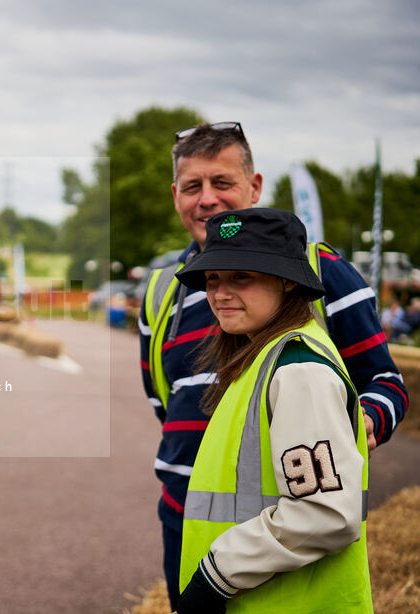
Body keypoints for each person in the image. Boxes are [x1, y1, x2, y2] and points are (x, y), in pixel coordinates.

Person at [138, 122, 408, 609]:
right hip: (187, 516)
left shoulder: (321, 274)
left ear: (255, 186)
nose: (207, 200)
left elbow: (384, 381)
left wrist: (355, 420)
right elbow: (165, 401)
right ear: (175, 194)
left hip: (275, 528)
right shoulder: (162, 290)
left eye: (222, 183)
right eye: (193, 186)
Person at [172, 208, 371, 612]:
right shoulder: (266, 357)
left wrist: (217, 574)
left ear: (286, 281)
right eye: (212, 279)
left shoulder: (299, 369)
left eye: (241, 276)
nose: (220, 293)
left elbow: (326, 513)